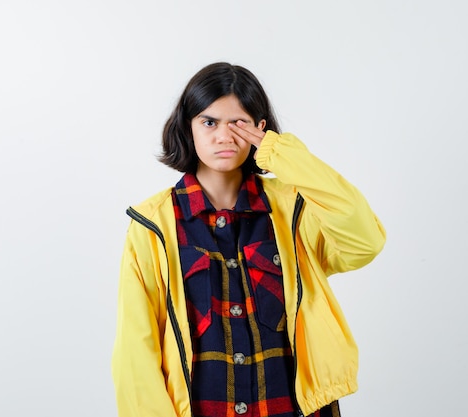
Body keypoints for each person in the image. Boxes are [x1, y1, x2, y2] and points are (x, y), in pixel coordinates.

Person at [111, 62, 386, 417]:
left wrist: (284, 156)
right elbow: (136, 346)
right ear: (188, 128)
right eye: (209, 122)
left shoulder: (294, 210)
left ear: (261, 129)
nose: (224, 136)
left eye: (238, 123)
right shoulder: (153, 225)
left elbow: (364, 241)